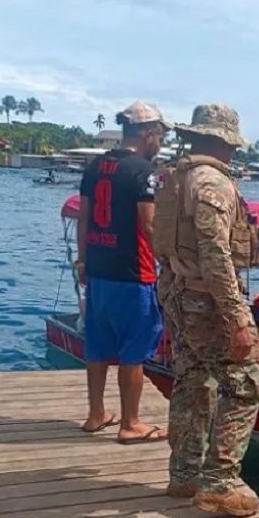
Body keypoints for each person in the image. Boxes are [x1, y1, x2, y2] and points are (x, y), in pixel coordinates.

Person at [153, 104, 259, 516]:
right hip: (207, 299)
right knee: (245, 384)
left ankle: (184, 473)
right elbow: (215, 253)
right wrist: (237, 317)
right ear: (225, 142)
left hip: (178, 293)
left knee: (192, 379)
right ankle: (218, 482)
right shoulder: (213, 183)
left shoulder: (175, 178)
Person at [76, 100, 170, 443]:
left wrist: (82, 261)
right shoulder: (144, 172)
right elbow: (148, 224)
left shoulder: (95, 167)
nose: (160, 141)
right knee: (134, 349)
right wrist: (171, 258)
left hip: (98, 270)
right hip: (134, 273)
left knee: (98, 345)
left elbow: (83, 219)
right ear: (148, 133)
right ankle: (131, 423)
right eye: (159, 134)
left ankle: (95, 414)